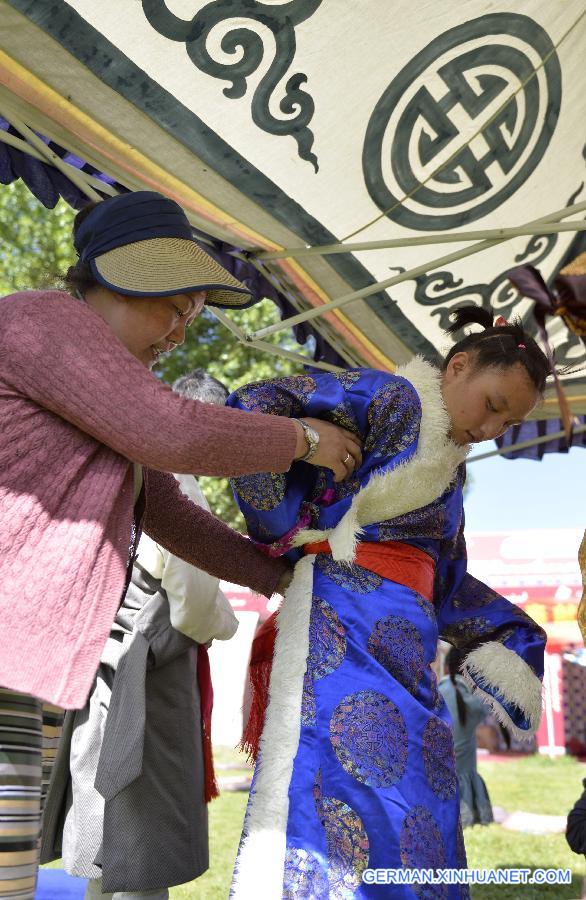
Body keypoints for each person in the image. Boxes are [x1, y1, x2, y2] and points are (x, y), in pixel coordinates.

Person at [0, 190, 361, 900]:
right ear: (119, 277)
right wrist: (304, 440)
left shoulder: (104, 390)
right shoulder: (45, 321)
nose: (180, 332)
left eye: (192, 316)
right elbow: (174, 433)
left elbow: (163, 507)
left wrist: (281, 576)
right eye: (177, 307)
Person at [226, 306, 550, 899]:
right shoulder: (386, 396)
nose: (493, 427)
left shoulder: (449, 479)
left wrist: (517, 635)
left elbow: (448, 583)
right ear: (457, 367)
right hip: (339, 626)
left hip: (408, 647)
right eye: (494, 403)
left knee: (423, 797)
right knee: (343, 789)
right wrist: (307, 443)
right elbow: (253, 403)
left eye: (510, 421)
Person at [41, 369, 237, 900]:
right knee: (140, 847)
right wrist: (229, 620)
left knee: (110, 840)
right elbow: (195, 605)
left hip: (102, 662)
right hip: (146, 672)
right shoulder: (177, 485)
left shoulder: (116, 469)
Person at [439, 647, 493, 827]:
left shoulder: (437, 693)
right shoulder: (473, 700)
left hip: (440, 775)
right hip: (464, 774)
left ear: (446, 667)